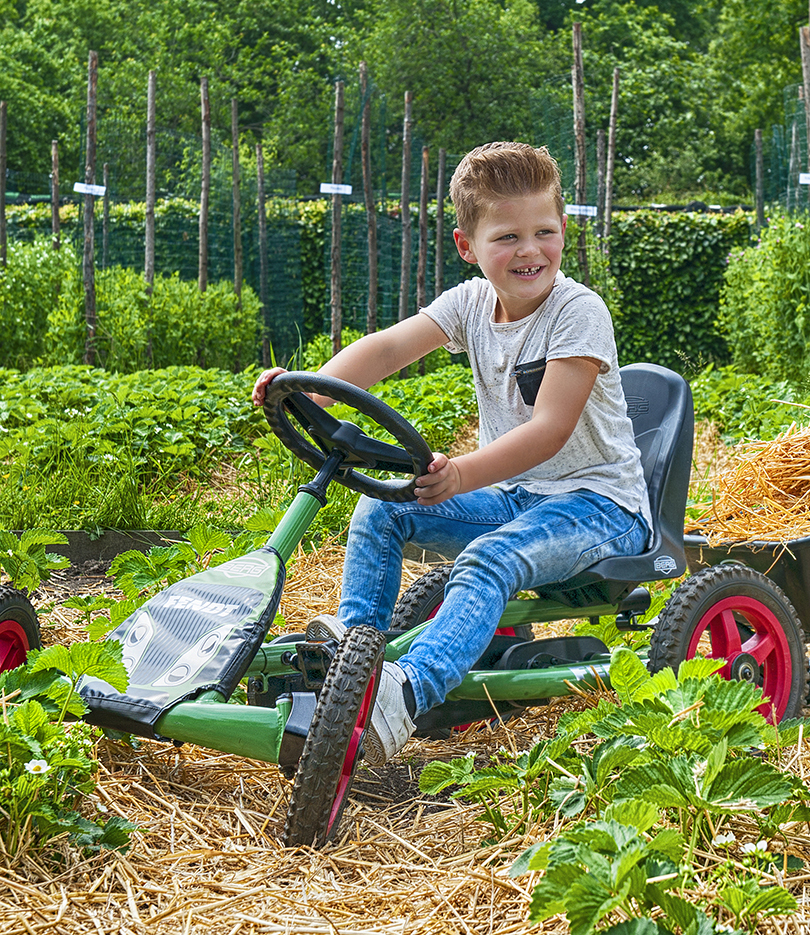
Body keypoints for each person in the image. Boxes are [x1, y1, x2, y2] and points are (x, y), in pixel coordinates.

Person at [252, 141, 650, 766]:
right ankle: (358, 652)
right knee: (382, 512)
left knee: (490, 560)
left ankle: (405, 693)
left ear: (563, 230)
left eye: (544, 232)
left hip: (599, 507)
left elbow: (549, 428)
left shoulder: (578, 312)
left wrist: (461, 473)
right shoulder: (469, 304)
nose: (529, 251)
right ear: (468, 246)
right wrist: (307, 391)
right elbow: (384, 351)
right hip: (522, 498)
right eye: (507, 237)